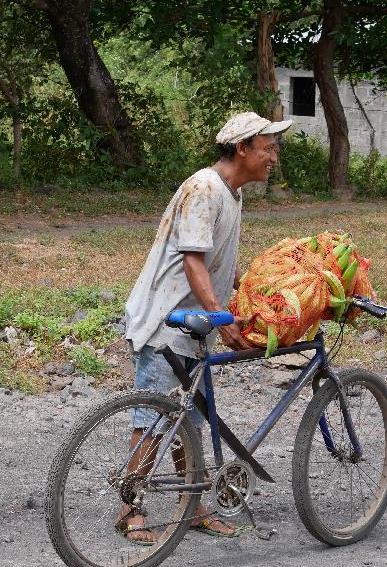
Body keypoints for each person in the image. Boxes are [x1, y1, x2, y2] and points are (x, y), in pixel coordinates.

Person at [119, 112, 292, 544]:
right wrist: (221, 314)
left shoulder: (231, 194)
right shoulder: (203, 188)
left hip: (195, 324)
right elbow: (193, 259)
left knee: (189, 420)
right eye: (268, 148)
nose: (273, 157)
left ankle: (191, 506)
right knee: (156, 418)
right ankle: (130, 509)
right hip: (168, 322)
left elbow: (218, 258)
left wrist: (251, 289)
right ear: (243, 148)